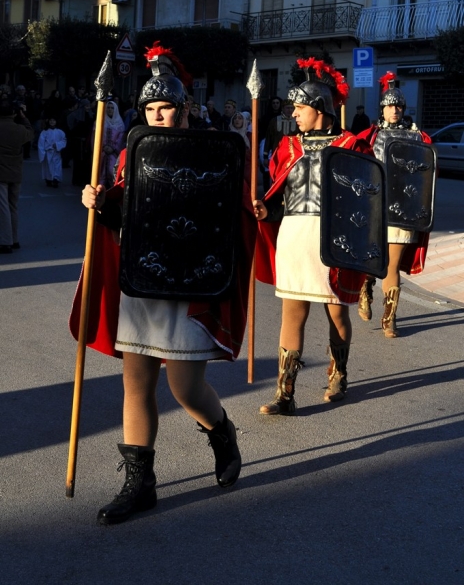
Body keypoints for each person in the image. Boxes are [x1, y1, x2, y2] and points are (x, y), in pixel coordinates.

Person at [71, 41, 256, 525]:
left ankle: (221, 433)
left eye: (166, 107)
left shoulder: (217, 149)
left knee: (184, 388)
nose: (157, 115)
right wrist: (102, 200)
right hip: (142, 278)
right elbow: (127, 208)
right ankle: (139, 484)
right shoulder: (137, 149)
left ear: (185, 107)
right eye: (150, 107)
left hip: (190, 285)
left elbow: (229, 216)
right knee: (136, 385)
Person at [253, 58, 372, 415]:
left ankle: (339, 374)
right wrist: (265, 211)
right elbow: (279, 195)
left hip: (334, 238)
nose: (295, 113)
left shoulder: (351, 144)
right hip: (294, 235)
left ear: (319, 108)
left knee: (336, 314)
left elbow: (366, 198)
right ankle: (284, 394)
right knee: (293, 315)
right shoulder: (287, 147)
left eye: (300, 107)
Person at [357, 72, 433, 338]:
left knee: (391, 264)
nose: (395, 110)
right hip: (375, 206)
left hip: (404, 210)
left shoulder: (418, 138)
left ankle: (390, 317)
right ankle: (364, 288)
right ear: (383, 108)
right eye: (390, 105)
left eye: (399, 105)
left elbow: (427, 174)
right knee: (371, 261)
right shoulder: (370, 137)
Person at [0, 101, 34, 253]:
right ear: (14, 113)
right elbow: (30, 132)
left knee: (3, 207)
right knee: (13, 206)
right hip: (16, 172)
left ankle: (5, 241)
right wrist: (23, 117)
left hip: (1, 173)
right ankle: (15, 239)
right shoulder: (20, 129)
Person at [93, 99, 126, 189]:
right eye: (108, 108)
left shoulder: (120, 124)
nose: (110, 109)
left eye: (112, 108)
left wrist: (113, 148)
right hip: (102, 153)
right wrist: (103, 147)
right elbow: (96, 137)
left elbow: (121, 139)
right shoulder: (99, 121)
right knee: (100, 173)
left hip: (114, 154)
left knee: (113, 173)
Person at [38, 116, 67, 187]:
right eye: (51, 120)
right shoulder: (45, 132)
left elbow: (64, 140)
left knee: (57, 166)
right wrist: (42, 153)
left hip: (56, 152)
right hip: (48, 152)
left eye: (54, 120)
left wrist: (57, 145)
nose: (52, 122)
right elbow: (41, 143)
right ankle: (48, 179)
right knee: (48, 167)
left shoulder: (60, 132)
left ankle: (56, 179)